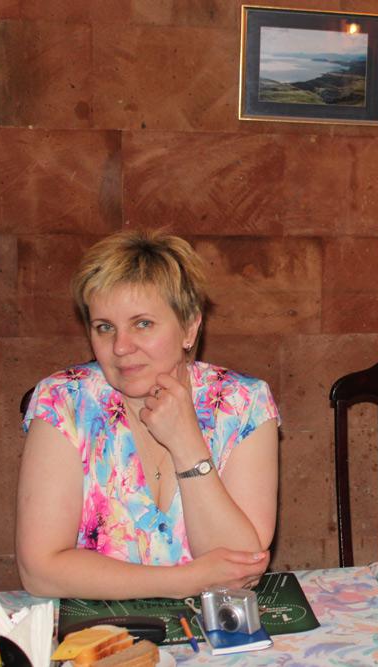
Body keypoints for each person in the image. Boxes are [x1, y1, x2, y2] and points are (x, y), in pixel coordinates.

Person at [16, 230, 279, 599]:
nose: (121, 347)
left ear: (189, 327)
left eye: (142, 324)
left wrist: (187, 444)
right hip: (94, 631)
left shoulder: (243, 403)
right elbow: (40, 571)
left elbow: (241, 565)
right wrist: (183, 581)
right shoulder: (64, 401)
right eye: (105, 328)